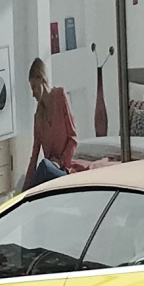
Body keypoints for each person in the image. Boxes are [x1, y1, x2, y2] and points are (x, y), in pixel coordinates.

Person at [22, 58, 85, 190]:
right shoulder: (38, 117)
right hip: (49, 172)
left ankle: (29, 199)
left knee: (45, 165)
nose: (33, 94)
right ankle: (25, 200)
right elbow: (34, 156)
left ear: (41, 79)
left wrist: (61, 162)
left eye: (34, 87)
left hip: (64, 170)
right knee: (43, 167)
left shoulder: (60, 96)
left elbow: (73, 138)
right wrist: (23, 190)